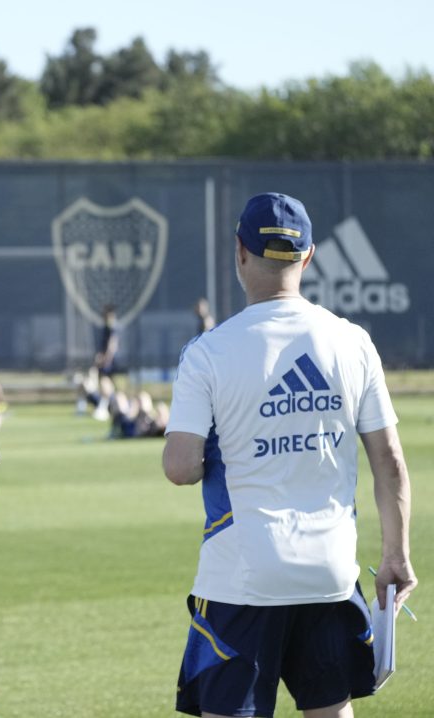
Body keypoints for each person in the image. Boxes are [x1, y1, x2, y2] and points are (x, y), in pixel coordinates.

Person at [162, 193, 416, 718]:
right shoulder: (353, 341)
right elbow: (389, 459)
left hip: (242, 574)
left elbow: (180, 467)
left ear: (240, 253)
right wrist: (395, 554)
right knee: (331, 709)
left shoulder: (208, 351)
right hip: (329, 571)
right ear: (308, 256)